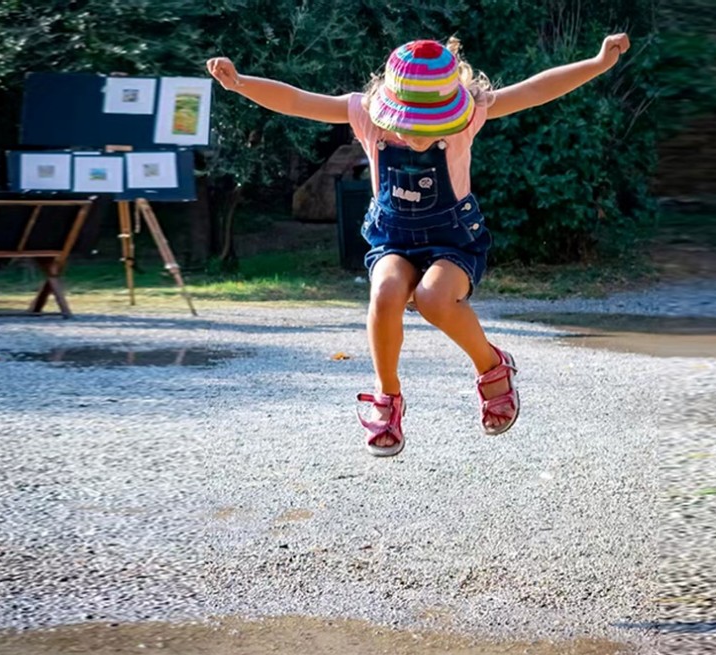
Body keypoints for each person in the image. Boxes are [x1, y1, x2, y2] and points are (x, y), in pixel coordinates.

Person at [207, 32, 630, 456]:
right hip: (392, 237)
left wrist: (596, 64)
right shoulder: (363, 114)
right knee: (386, 292)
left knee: (433, 299)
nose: (418, 138)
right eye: (409, 126)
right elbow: (298, 101)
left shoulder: (472, 112)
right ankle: (387, 396)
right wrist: (241, 82)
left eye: (433, 127)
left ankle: (492, 366)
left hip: (454, 239)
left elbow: (536, 90)